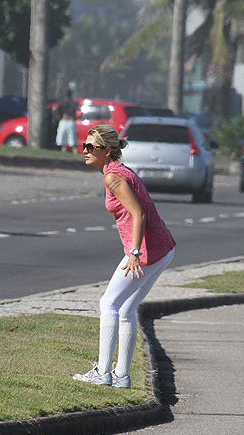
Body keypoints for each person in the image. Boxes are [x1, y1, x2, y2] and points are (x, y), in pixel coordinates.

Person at [73, 124, 176, 389]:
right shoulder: (119, 171)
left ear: (106, 151)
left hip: (146, 250)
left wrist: (134, 252)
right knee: (127, 309)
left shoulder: (113, 177)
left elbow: (138, 213)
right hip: (163, 248)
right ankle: (121, 376)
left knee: (108, 304)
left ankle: (103, 373)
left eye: (91, 147)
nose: (85, 150)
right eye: (84, 145)